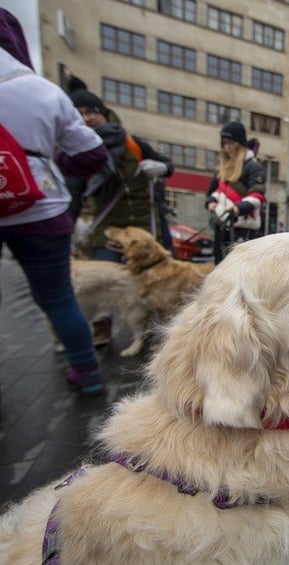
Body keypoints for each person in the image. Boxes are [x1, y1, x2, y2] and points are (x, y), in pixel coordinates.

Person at [0, 8, 109, 395]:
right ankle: (88, 373)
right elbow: (94, 156)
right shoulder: (43, 91)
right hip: (39, 206)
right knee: (59, 298)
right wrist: (44, 161)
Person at [69, 88, 173, 346]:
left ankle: (151, 327)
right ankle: (102, 327)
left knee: (151, 277)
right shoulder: (78, 150)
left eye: (91, 112)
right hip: (106, 228)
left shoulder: (132, 143)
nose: (86, 118)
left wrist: (162, 168)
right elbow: (74, 192)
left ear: (104, 113)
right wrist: (68, 228)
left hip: (142, 228)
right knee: (103, 280)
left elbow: (167, 165)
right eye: (79, 113)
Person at [205, 121, 267, 264]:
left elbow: (257, 195)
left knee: (241, 269)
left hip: (243, 228)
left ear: (239, 144)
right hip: (222, 226)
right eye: (224, 143)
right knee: (220, 266)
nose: (227, 147)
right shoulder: (222, 168)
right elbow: (216, 191)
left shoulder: (253, 167)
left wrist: (238, 208)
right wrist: (211, 202)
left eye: (231, 143)